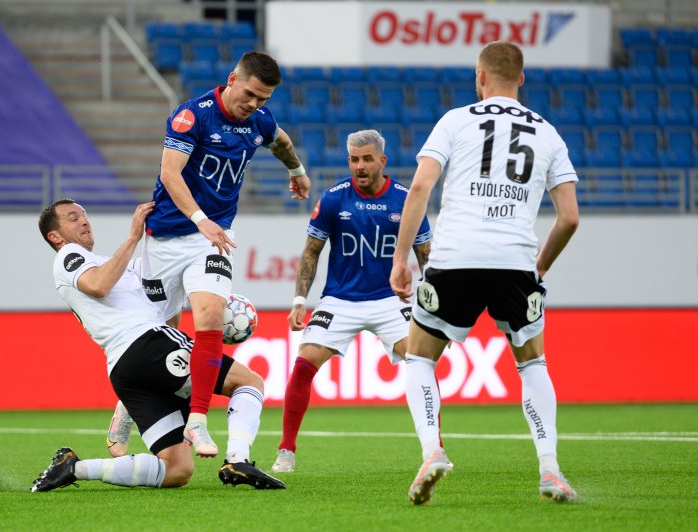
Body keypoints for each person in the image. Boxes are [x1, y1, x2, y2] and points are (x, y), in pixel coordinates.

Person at [389, 41, 580, 505]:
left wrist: (401, 259)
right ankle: (550, 470)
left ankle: (432, 449)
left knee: (420, 357)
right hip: (515, 260)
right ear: (522, 79)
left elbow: (419, 187)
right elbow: (570, 218)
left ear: (479, 77)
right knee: (532, 363)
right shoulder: (548, 133)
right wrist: (540, 265)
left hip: (455, 257)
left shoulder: (455, 121)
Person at [32, 199, 284, 492]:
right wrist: (133, 237)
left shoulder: (115, 265)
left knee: (177, 469)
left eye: (85, 216)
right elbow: (98, 284)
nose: (84, 221)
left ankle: (74, 467)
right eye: (73, 218)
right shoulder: (69, 256)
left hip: (125, 369)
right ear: (56, 236)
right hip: (147, 343)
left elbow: (166, 303)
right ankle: (238, 460)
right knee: (248, 381)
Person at [141, 51, 311, 459]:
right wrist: (200, 218)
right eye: (250, 94)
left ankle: (197, 419)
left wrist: (296, 171)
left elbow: (281, 142)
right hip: (167, 237)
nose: (254, 104)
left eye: (263, 100)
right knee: (157, 336)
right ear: (233, 78)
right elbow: (169, 173)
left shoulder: (259, 122)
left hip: (213, 237)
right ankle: (125, 409)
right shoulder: (192, 115)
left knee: (211, 316)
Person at [270, 130, 432, 473]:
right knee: (302, 366)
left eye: (367, 159)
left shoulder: (405, 199)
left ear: (382, 161)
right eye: (354, 160)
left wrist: (428, 295)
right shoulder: (334, 198)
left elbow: (426, 255)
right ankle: (286, 451)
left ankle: (434, 450)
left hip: (390, 299)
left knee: (420, 360)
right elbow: (311, 252)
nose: (360, 166)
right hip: (340, 300)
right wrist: (300, 300)